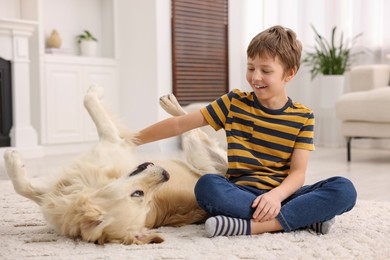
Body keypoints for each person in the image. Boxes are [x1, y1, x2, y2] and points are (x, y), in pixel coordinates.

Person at [135, 25, 357, 237]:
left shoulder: (303, 116)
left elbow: (298, 174)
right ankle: (304, 220)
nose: (255, 77)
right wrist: (132, 139)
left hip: (283, 195)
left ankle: (250, 227)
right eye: (251, 68)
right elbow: (179, 124)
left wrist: (275, 196)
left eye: (266, 70)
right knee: (207, 185)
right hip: (241, 194)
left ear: (289, 74)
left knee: (344, 189)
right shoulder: (233, 103)